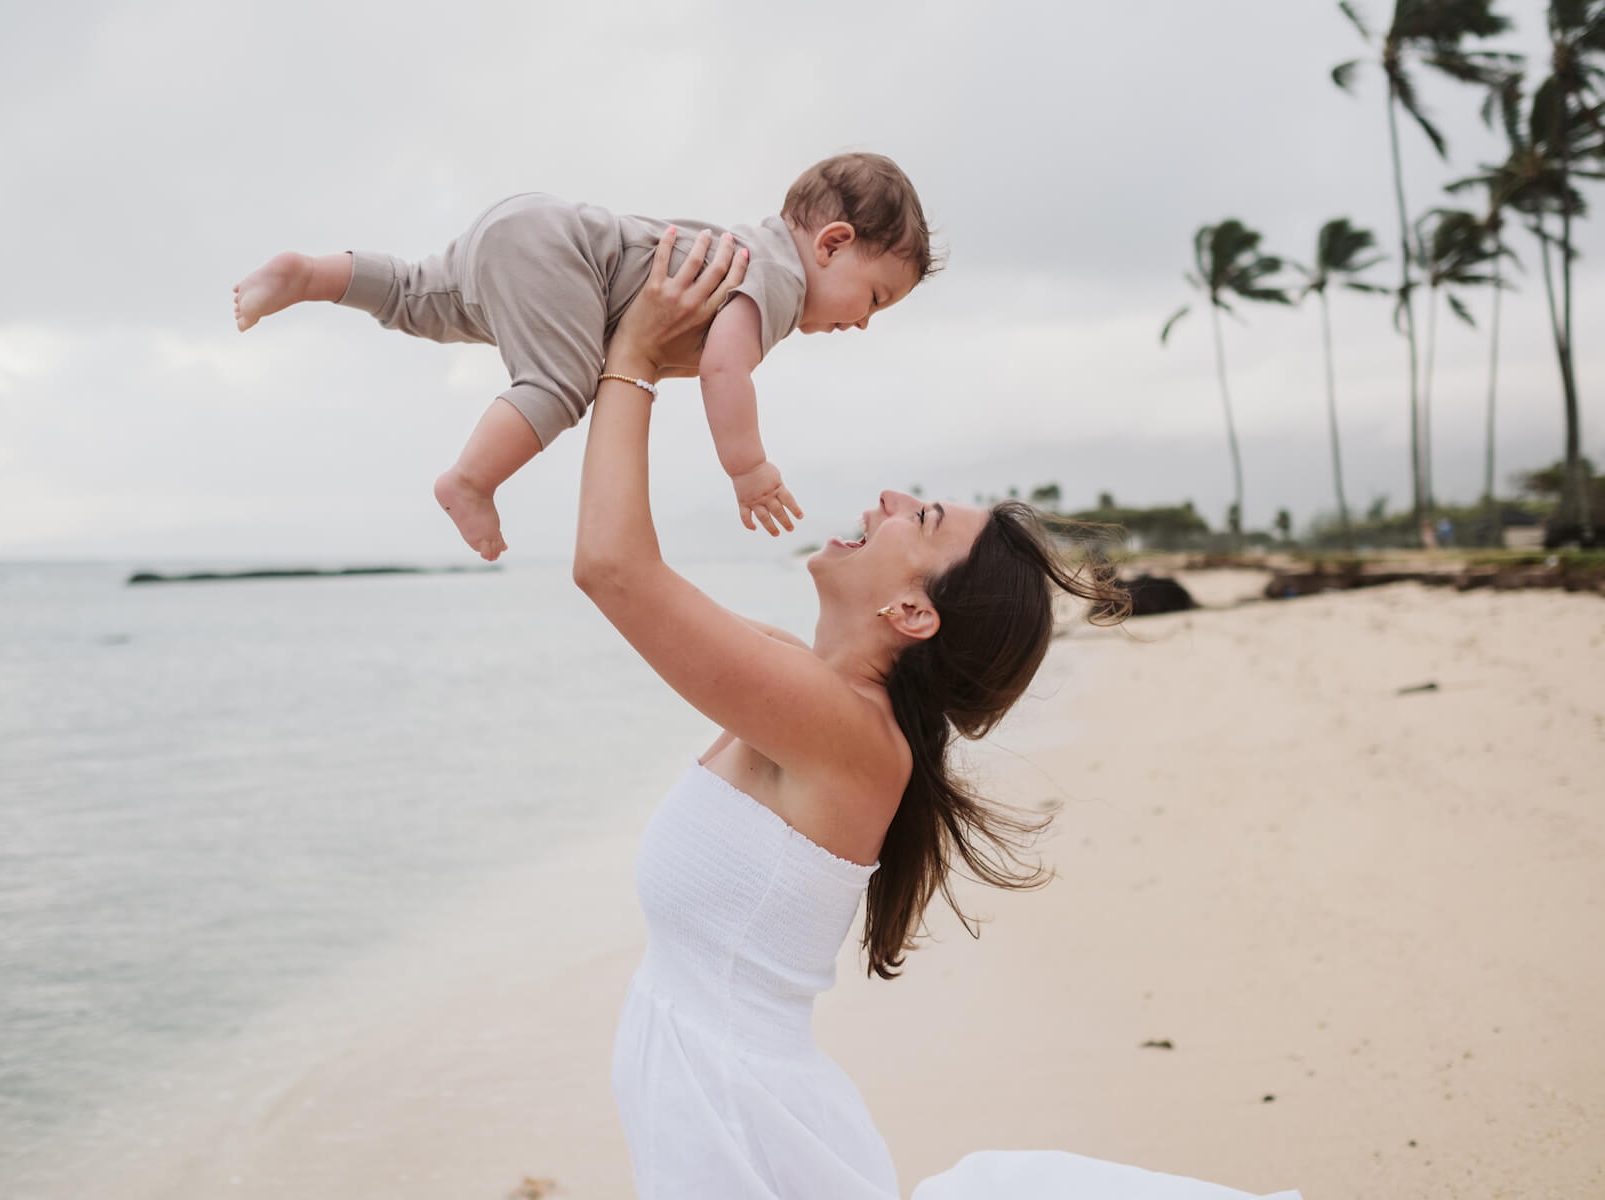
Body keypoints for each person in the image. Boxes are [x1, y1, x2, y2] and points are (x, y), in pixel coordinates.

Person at [573, 228, 1304, 1199]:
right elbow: (634, 573)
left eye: (916, 519)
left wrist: (630, 363)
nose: (888, 495)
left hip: (741, 1130)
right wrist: (660, 350)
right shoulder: (804, 690)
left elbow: (614, 568)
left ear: (913, 613)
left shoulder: (840, 731)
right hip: (732, 1118)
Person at [230, 152, 935, 560]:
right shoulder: (778, 278)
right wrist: (748, 469)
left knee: (420, 297)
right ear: (833, 243)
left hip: (530, 227)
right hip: (562, 256)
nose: (864, 323)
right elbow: (726, 367)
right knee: (560, 384)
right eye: (873, 298)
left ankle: (310, 275)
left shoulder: (757, 253)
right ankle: (470, 481)